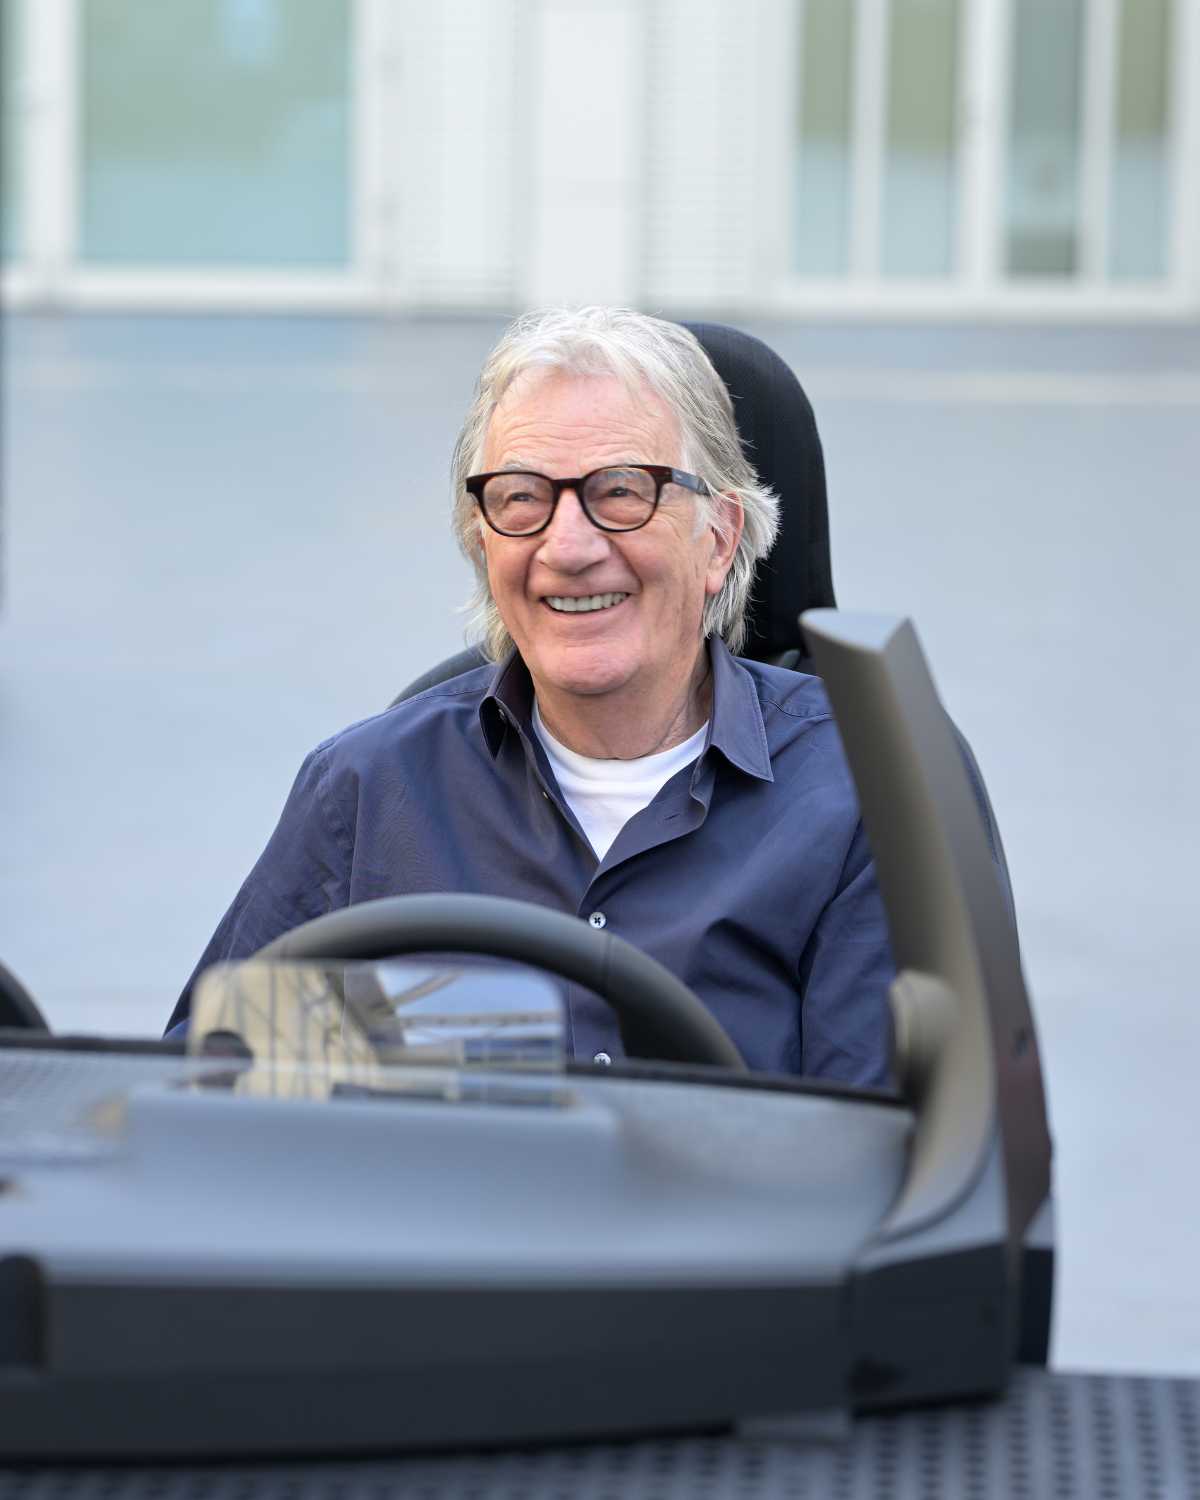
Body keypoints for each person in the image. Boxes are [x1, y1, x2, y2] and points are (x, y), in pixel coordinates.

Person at [167, 307, 894, 1084]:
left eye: (622, 491)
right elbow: (209, 1090)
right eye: (520, 498)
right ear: (483, 542)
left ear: (717, 537)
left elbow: (878, 1139)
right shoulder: (367, 791)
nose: (568, 548)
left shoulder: (864, 793)